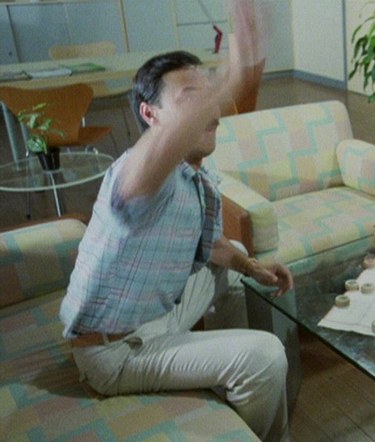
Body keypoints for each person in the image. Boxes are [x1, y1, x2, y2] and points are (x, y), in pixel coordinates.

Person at [58, 1, 294, 441]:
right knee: (265, 355)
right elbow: (143, 173)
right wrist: (232, 76)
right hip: (118, 353)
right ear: (151, 115)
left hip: (158, 316)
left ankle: (226, 375)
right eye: (192, 99)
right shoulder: (140, 173)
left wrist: (253, 267)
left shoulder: (193, 175)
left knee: (236, 255)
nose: (212, 110)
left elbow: (211, 247)